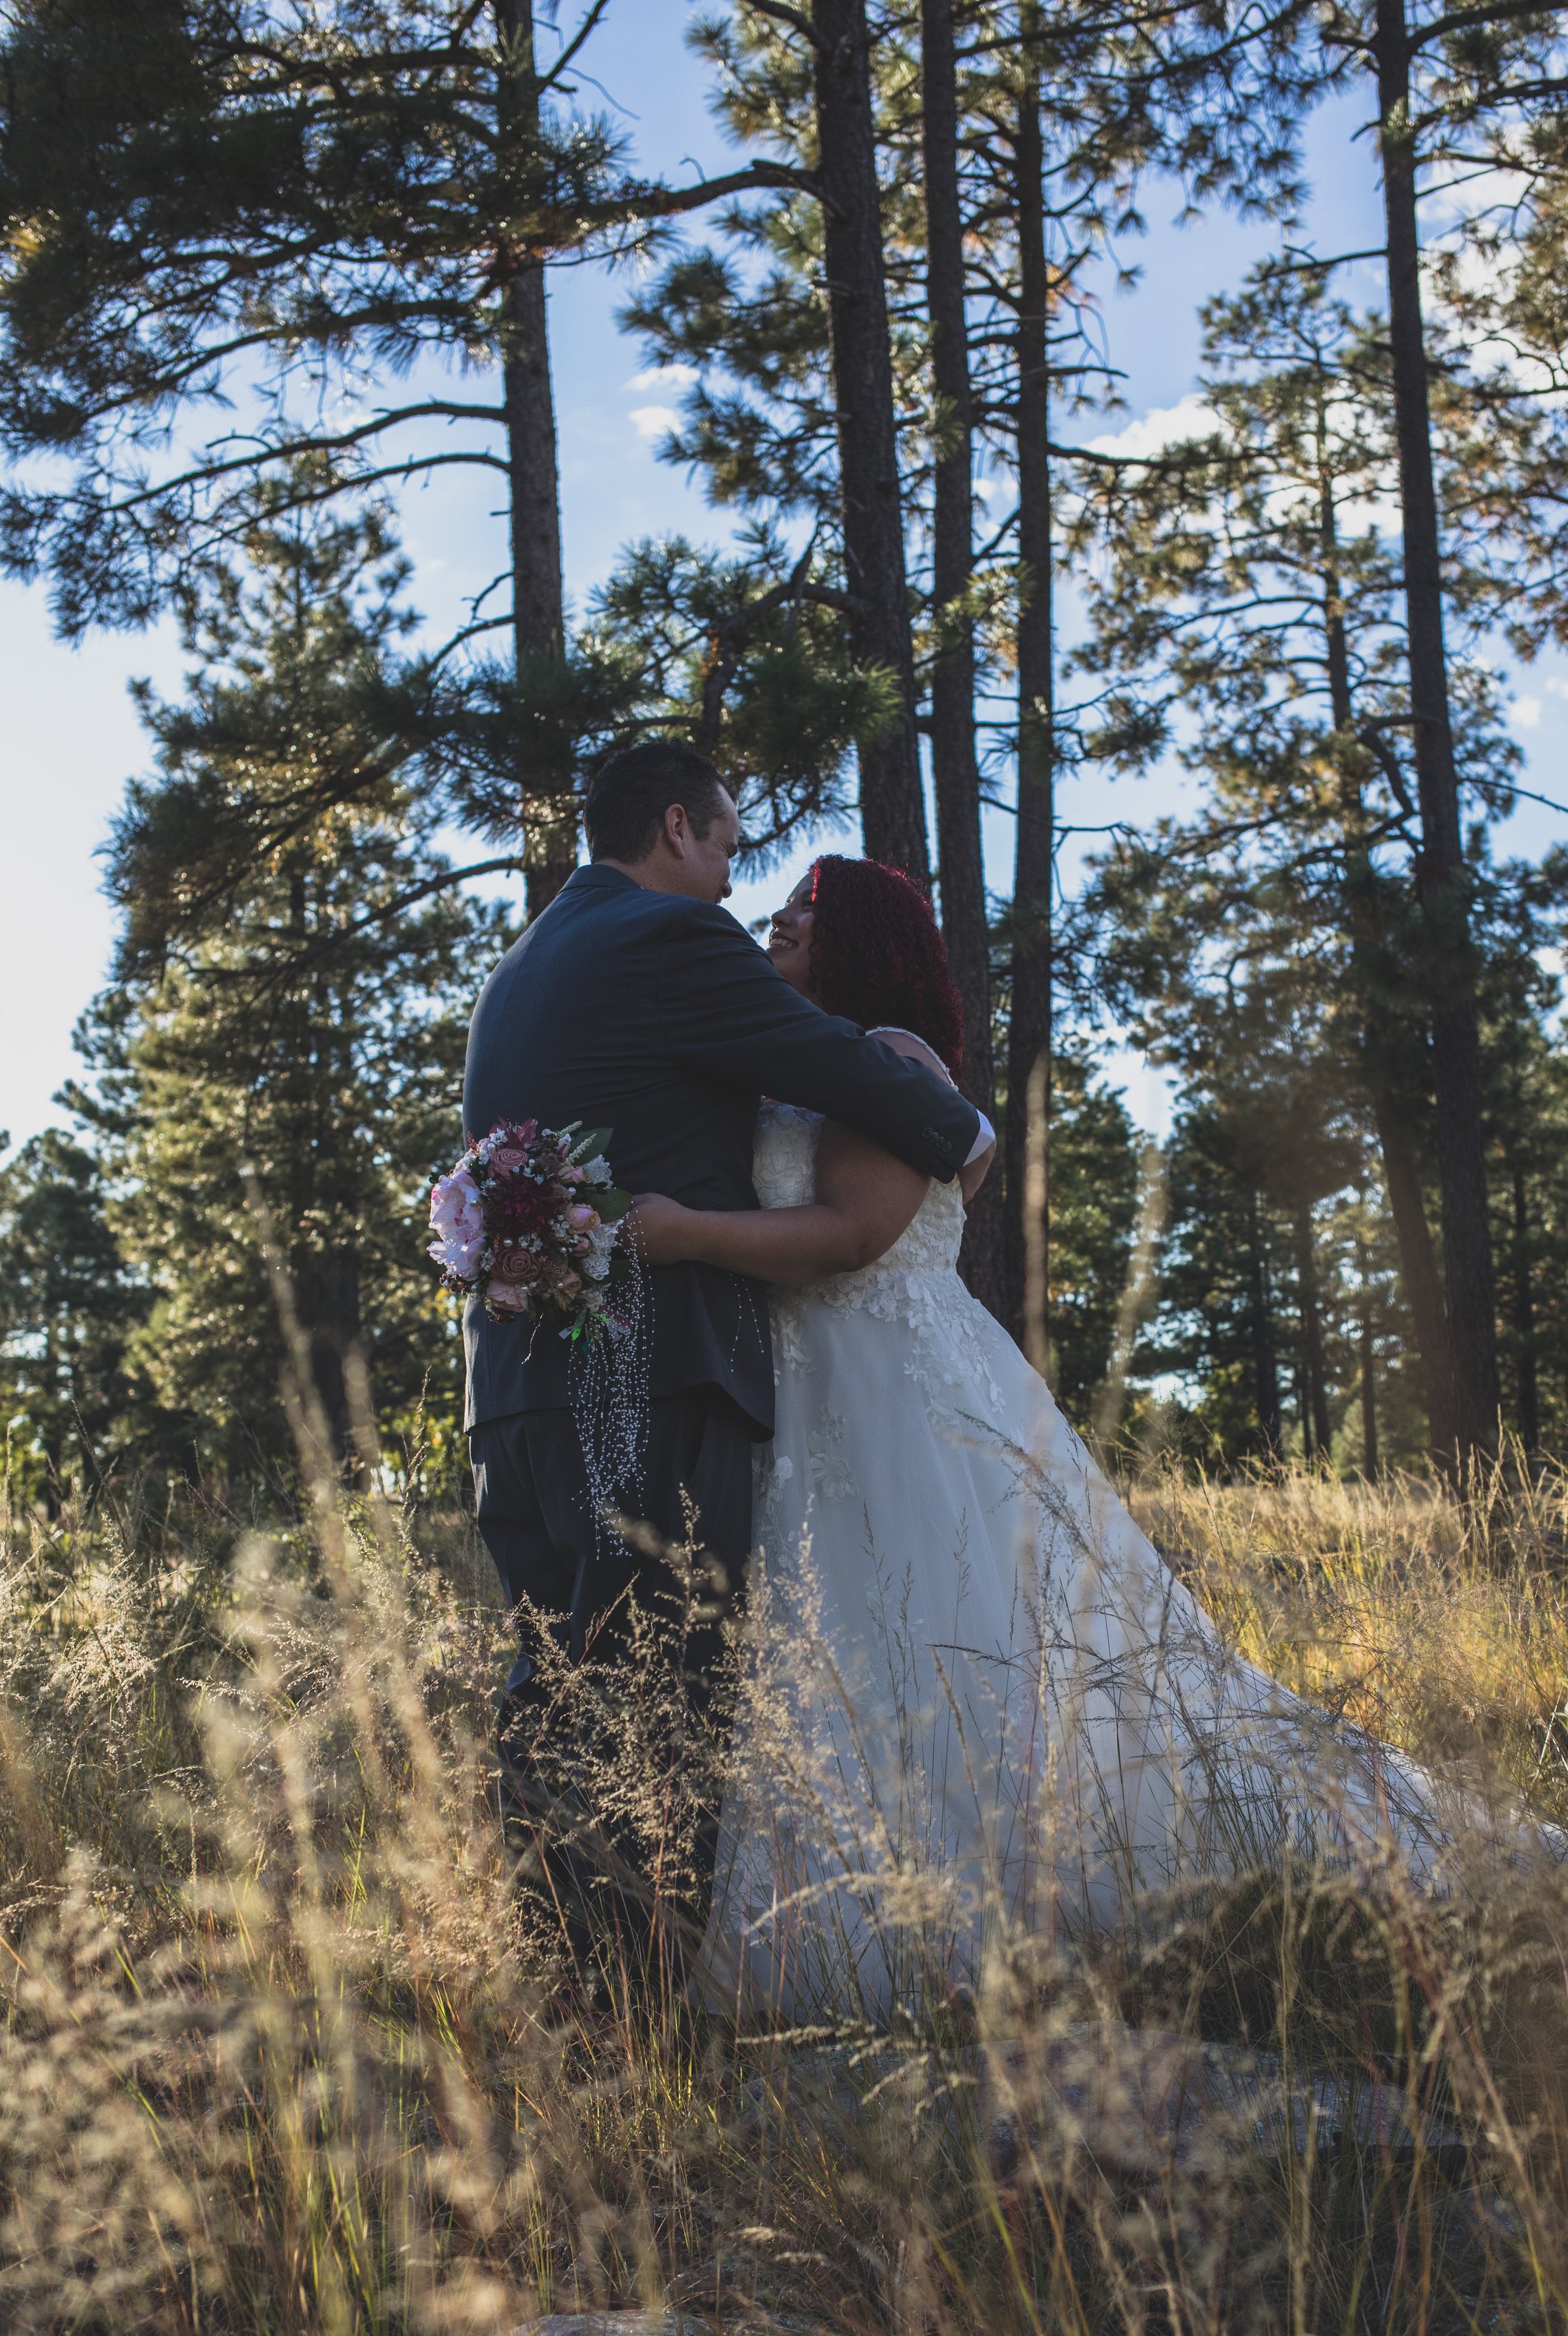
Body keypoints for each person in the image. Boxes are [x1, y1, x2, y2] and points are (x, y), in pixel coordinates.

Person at [626, 856, 1457, 2026]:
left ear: (859, 934)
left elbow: (855, 1233)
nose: (779, 921)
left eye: (805, 910)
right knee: (855, 1641)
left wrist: (685, 1234)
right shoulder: (807, 1064)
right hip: (815, 1382)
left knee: (944, 1626)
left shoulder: (886, 1057)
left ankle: (974, 1911)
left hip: (886, 1375)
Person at [461, 748, 989, 2010]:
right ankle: (637, 2014)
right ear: (680, 826)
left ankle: (567, 1991)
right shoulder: (671, 938)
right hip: (645, 1370)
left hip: (518, 1381)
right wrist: (954, 1127)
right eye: (730, 838)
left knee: (554, 1681)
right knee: (656, 1683)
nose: (739, 873)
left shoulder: (518, 971)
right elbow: (861, 1083)